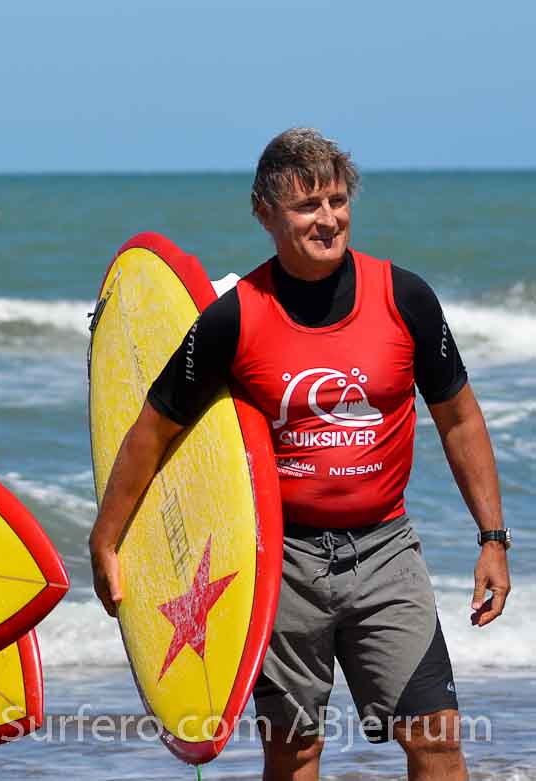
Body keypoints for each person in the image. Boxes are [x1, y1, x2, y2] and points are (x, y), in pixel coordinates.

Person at [89, 128, 511, 781]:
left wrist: (492, 537)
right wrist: (107, 538)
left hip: (385, 551)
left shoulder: (404, 298)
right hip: (280, 561)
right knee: (294, 750)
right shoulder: (234, 319)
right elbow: (152, 431)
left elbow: (459, 418)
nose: (329, 219)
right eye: (307, 205)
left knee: (436, 739)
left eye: (338, 201)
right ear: (265, 213)